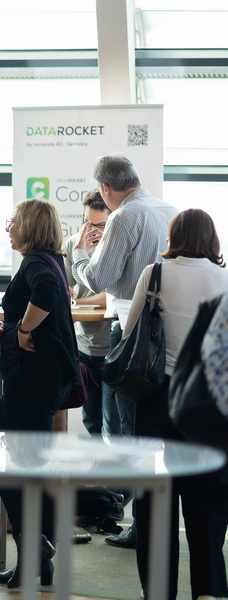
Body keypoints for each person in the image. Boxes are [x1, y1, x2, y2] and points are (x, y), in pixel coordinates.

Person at [122, 209, 228, 600]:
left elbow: (130, 333)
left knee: (154, 501)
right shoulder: (225, 280)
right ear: (212, 240)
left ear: (174, 237)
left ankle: (158, 592)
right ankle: (209, 591)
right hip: (208, 404)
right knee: (208, 502)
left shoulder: (154, 275)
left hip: (157, 397)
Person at [71, 154, 176, 549]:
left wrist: (79, 256)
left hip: (130, 334)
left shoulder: (123, 216)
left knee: (127, 434)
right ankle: (146, 523)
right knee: (150, 431)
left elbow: (98, 278)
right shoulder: (169, 210)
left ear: (106, 189)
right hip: (164, 336)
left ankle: (139, 526)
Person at [0, 199, 81, 589]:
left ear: (30, 227)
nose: (9, 227)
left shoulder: (36, 263)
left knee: (15, 462)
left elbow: (46, 292)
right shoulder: (51, 259)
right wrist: (9, 328)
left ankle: (35, 545)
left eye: (14, 221)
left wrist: (22, 329)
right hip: (42, 379)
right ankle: (35, 555)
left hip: (33, 380)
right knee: (18, 459)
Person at [63, 189, 115, 435]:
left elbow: (113, 296)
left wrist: (80, 301)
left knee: (113, 422)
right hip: (84, 345)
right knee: (92, 420)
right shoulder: (73, 244)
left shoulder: (117, 247)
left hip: (114, 345)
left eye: (100, 225)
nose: (92, 230)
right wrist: (69, 293)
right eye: (87, 223)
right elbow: (63, 288)